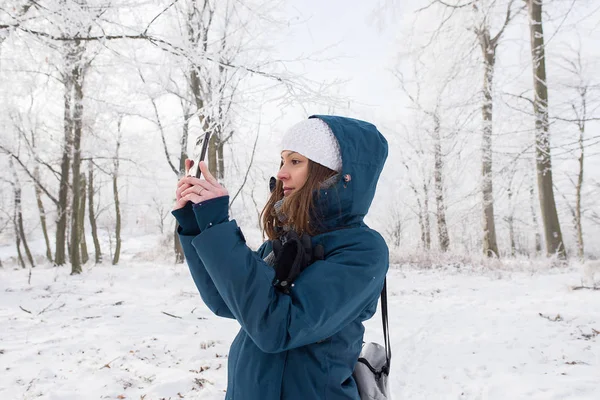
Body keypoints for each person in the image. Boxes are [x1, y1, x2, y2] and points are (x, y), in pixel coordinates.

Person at [172, 115, 389, 399]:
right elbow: (224, 300)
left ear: (333, 171)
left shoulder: (361, 250)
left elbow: (277, 327)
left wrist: (218, 227)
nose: (282, 173)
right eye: (282, 161)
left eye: (296, 161)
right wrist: (198, 225)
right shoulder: (286, 241)